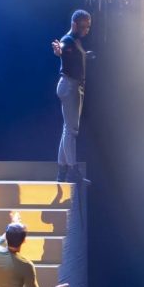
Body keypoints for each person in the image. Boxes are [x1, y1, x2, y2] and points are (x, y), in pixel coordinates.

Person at [51, 9, 92, 183]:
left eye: (88, 27)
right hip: (70, 86)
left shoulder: (75, 41)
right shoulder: (67, 40)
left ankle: (62, 171)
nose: (86, 30)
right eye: (84, 26)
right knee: (71, 130)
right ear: (74, 24)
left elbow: (72, 54)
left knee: (67, 129)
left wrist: (85, 56)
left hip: (72, 86)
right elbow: (62, 49)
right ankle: (72, 171)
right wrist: (58, 50)